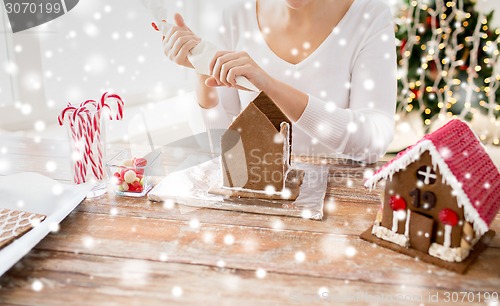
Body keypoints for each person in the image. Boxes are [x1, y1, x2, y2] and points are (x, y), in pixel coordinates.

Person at [158, 0, 397, 163]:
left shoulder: (369, 15)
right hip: (255, 199)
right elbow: (220, 148)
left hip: (337, 201)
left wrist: (270, 87)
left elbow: (373, 141)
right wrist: (201, 69)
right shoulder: (236, 14)